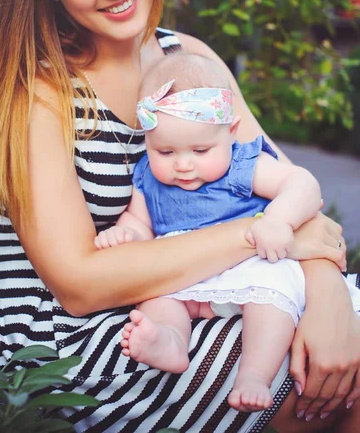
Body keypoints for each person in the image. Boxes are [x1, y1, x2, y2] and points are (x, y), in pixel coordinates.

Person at [0, 0, 360, 433]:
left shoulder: (189, 60)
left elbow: (296, 201)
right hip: (72, 344)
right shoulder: (39, 91)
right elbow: (78, 285)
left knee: (341, 340)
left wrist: (324, 294)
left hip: (192, 299)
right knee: (314, 374)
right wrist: (264, 235)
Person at [94, 52, 360, 413]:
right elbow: (139, 223)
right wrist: (124, 235)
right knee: (157, 299)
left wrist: (278, 220)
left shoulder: (241, 165)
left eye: (200, 150)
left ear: (230, 132)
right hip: (184, 271)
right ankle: (169, 342)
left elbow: (303, 183)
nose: (183, 164)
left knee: (270, 295)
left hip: (250, 265)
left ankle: (254, 374)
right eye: (165, 150)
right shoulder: (146, 175)